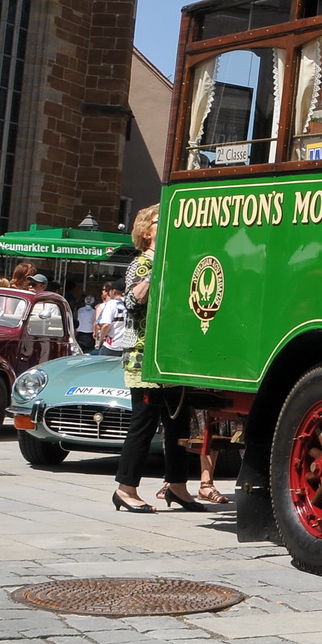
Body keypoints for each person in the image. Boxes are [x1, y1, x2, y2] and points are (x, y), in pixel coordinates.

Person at [112, 205, 198, 512]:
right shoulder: (141, 264)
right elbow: (133, 304)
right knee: (144, 423)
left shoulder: (172, 262)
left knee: (178, 424)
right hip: (143, 356)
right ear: (147, 231)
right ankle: (125, 488)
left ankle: (177, 485)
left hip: (169, 355)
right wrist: (157, 271)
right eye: (161, 223)